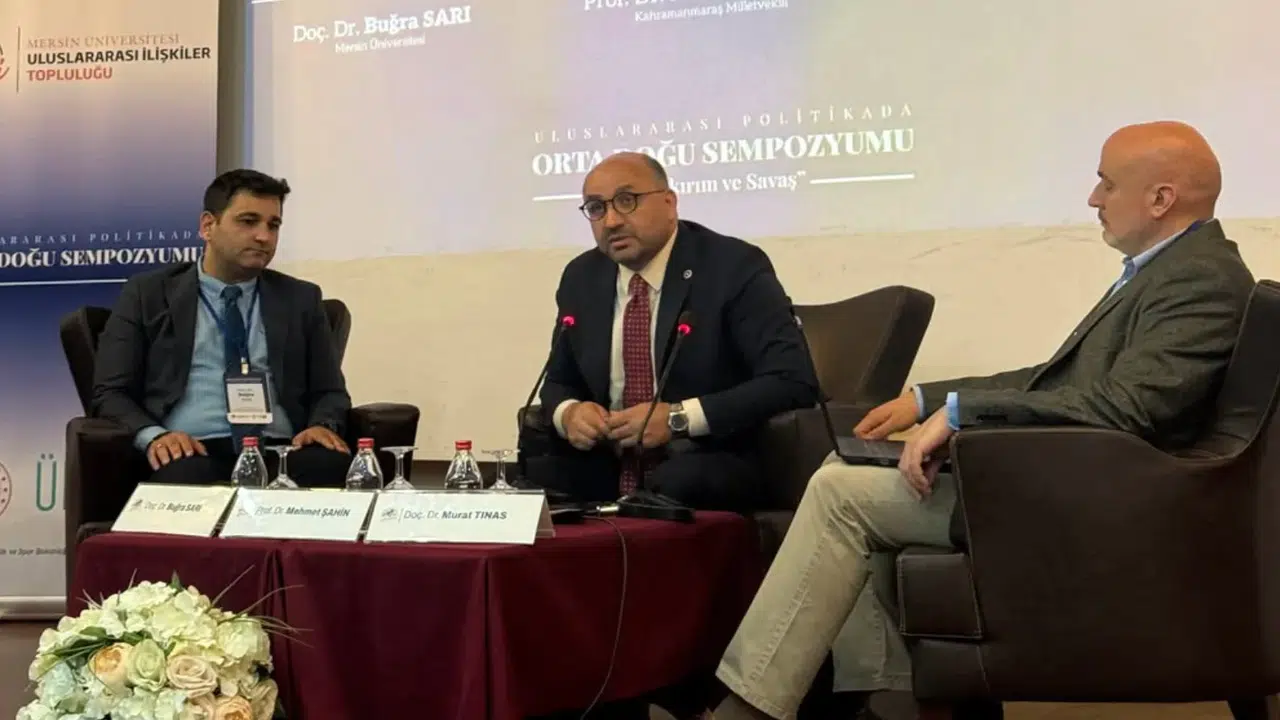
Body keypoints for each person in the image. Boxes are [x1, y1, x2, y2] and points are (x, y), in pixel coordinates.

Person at [709, 120, 1255, 720]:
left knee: (840, 495)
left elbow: (1129, 408)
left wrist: (961, 413)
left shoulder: (1199, 280)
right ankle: (888, 699)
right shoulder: (1172, 269)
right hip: (1083, 485)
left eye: (1107, 183)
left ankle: (755, 708)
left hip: (1105, 509)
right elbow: (1057, 380)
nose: (1093, 198)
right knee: (846, 468)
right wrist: (929, 400)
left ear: (1161, 199)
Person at [526, 152, 819, 512]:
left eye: (626, 201)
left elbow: (792, 380)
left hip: (708, 454)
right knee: (533, 473)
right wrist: (570, 413)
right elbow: (558, 381)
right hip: (610, 458)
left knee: (678, 479)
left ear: (669, 203)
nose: (612, 221)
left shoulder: (732, 266)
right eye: (596, 208)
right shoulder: (582, 276)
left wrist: (678, 419)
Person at [91, 169, 353, 487]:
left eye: (273, 225)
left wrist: (322, 425)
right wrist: (155, 436)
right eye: (248, 221)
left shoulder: (300, 298)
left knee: (333, 468)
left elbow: (330, 391)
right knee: (184, 484)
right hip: (192, 449)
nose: (264, 236)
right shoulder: (148, 294)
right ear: (207, 226)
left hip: (281, 450)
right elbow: (111, 393)